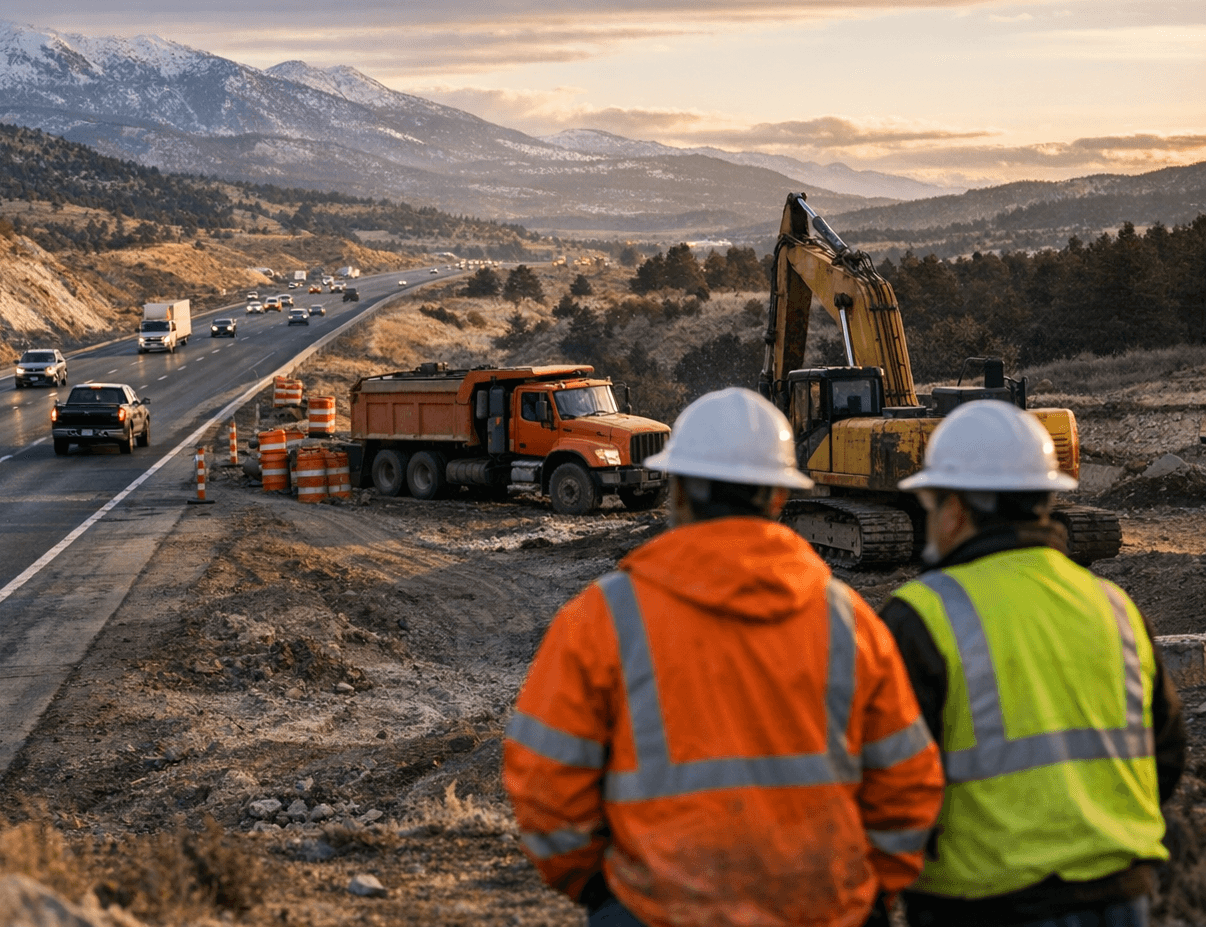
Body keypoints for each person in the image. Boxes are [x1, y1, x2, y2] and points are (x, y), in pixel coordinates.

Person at [504, 387, 944, 927]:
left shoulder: (603, 618)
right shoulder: (849, 621)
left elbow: (544, 782)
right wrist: (871, 891)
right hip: (822, 909)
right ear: (779, 498)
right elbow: (907, 784)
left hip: (659, 911)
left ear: (679, 492)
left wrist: (599, 890)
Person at [882, 400, 1187, 926]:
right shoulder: (1113, 606)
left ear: (955, 509)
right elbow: (1167, 749)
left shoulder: (922, 616)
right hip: (1119, 893)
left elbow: (892, 778)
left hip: (987, 900)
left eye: (931, 503)